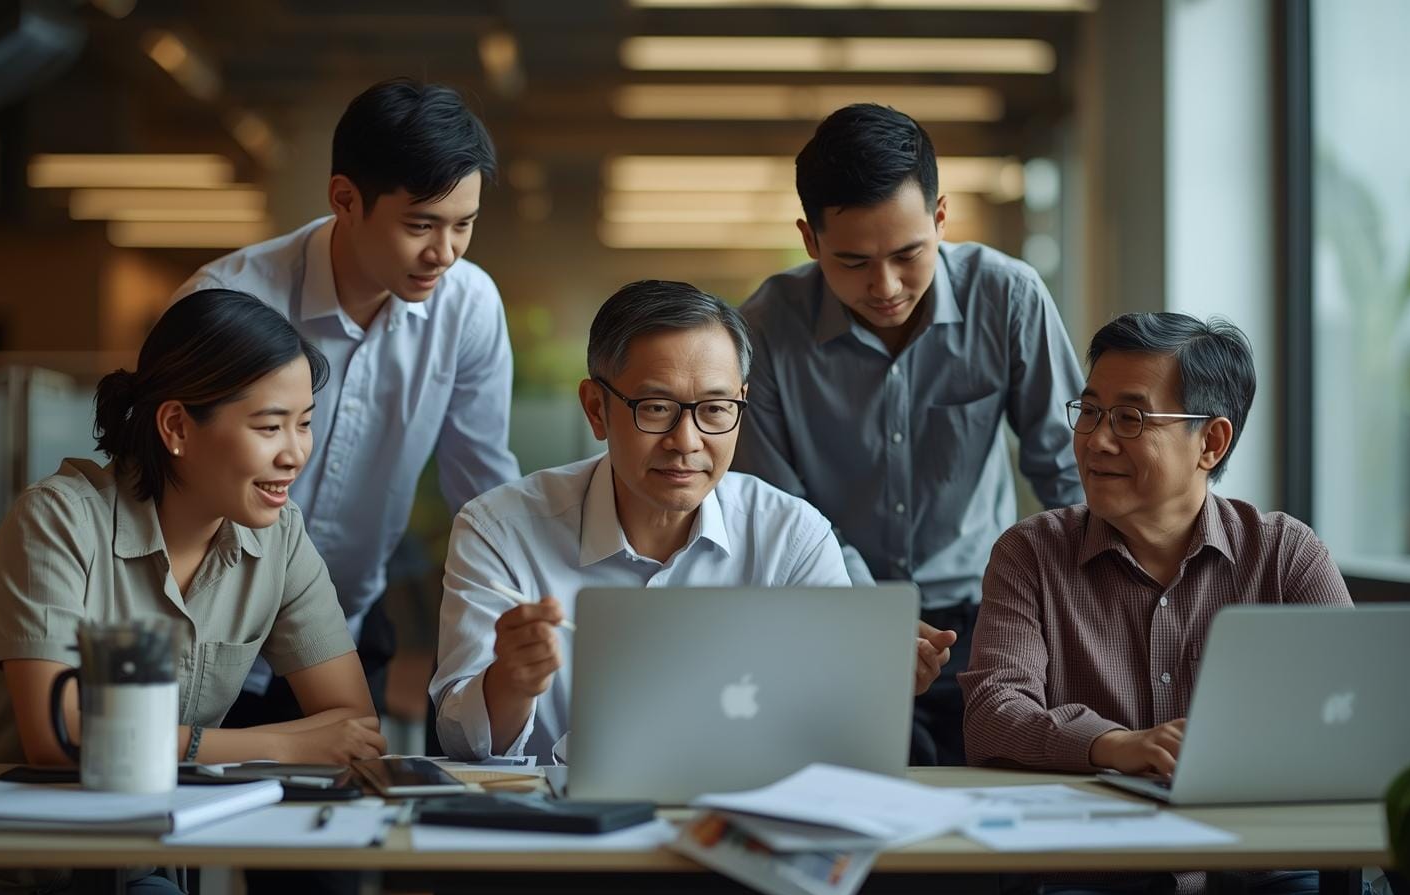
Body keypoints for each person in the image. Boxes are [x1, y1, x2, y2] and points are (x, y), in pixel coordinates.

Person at [0, 289, 385, 895]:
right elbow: (62, 738)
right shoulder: (59, 518)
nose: (295, 453)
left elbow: (354, 725)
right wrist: (285, 745)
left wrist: (150, 738)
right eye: (270, 426)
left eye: (305, 423)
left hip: (114, 863)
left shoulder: (281, 538)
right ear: (176, 427)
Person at [430, 280, 955, 760]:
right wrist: (511, 683)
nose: (686, 442)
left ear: (741, 405)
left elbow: (834, 733)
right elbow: (459, 742)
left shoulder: (791, 535)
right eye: (656, 408)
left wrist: (873, 684)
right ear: (595, 409)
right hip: (565, 843)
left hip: (741, 830)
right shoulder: (499, 531)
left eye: (715, 408)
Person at [732, 103, 1084, 766]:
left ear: (941, 218)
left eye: (907, 254)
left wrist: (1082, 609)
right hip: (836, 610)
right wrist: (869, 615)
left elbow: (1067, 471)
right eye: (853, 261)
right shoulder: (765, 330)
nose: (885, 285)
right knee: (860, 814)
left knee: (996, 817)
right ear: (810, 241)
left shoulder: (1007, 297)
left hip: (990, 613)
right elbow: (780, 509)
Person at [170, 77, 520, 732]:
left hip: (348, 631)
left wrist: (527, 620)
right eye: (420, 225)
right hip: (207, 639)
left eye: (463, 225)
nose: (443, 253)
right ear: (345, 199)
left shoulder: (467, 306)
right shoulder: (228, 304)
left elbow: (483, 490)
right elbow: (153, 493)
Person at [960, 312, 1352, 895]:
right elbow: (992, 713)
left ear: (1210, 443)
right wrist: (1112, 745)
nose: (1096, 440)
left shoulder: (1283, 555)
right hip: (1097, 870)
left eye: (1130, 418)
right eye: (1089, 411)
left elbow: (1358, 714)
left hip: (1262, 864)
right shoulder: (1031, 552)